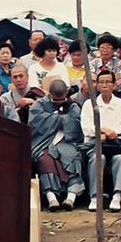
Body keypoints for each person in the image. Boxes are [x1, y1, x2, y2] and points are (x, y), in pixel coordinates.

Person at [29, 79, 85, 211]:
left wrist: (53, 117)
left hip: (67, 141)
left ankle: (71, 197)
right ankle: (51, 197)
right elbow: (36, 121)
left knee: (73, 157)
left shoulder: (73, 105)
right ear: (50, 94)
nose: (59, 102)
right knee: (44, 159)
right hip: (44, 142)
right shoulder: (39, 104)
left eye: (62, 99)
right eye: (56, 100)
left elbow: (76, 123)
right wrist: (61, 118)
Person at [80, 69, 121, 211]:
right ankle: (95, 196)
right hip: (95, 144)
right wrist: (101, 132)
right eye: (101, 82)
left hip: (116, 144)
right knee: (99, 158)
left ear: (114, 85)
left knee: (120, 159)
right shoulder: (89, 104)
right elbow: (87, 127)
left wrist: (111, 133)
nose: (104, 85)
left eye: (108, 82)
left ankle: (117, 195)